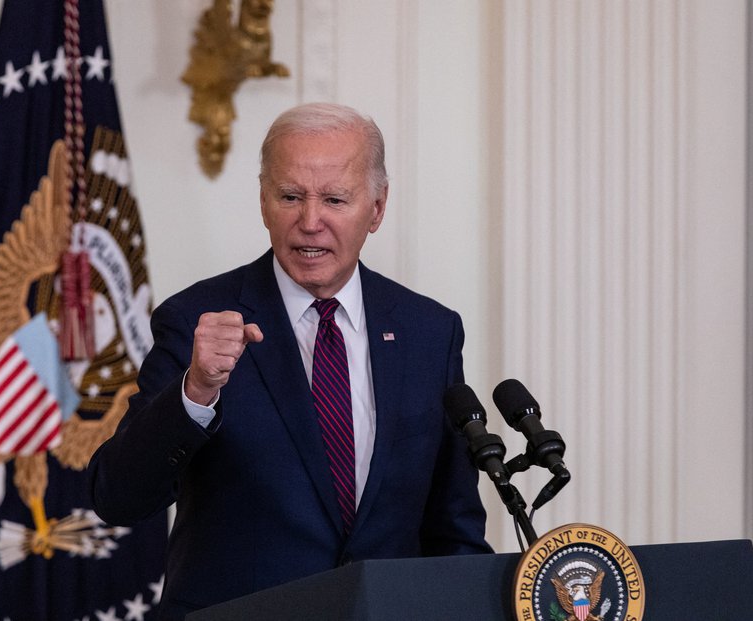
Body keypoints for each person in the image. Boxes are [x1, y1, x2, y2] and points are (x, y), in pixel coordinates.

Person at [88, 102, 492, 619]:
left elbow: (454, 529)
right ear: (263, 201)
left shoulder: (429, 331)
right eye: (290, 196)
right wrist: (195, 392)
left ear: (377, 206)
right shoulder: (195, 319)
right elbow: (118, 497)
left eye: (335, 199)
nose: (310, 221)